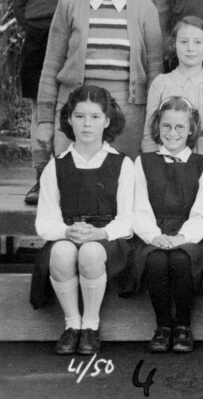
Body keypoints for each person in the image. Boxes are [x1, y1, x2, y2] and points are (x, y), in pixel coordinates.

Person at [36, 0, 163, 160]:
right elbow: (51, 65)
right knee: (74, 179)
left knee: (120, 179)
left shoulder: (145, 7)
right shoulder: (69, 3)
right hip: (75, 110)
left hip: (128, 114)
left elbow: (155, 70)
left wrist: (153, 122)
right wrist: (44, 120)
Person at [30, 85, 133, 356]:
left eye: (95, 117)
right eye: (79, 116)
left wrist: (99, 234)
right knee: (62, 252)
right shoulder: (56, 165)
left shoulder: (122, 164)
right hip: (69, 235)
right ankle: (72, 324)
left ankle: (90, 325)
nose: (87, 124)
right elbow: (45, 222)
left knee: (90, 252)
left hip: (108, 243)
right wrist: (67, 232)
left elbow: (127, 220)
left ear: (107, 121)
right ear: (69, 119)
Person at [12, 0, 89, 205]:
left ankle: (69, 176)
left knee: (72, 106)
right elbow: (20, 7)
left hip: (73, 41)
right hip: (38, 40)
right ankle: (41, 176)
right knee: (39, 109)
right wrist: (38, 30)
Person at [131, 96, 203, 354]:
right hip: (152, 234)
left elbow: (201, 211)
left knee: (179, 259)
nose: (172, 133)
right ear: (158, 127)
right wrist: (153, 236)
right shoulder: (143, 162)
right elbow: (139, 206)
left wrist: (182, 238)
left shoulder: (202, 164)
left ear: (191, 129)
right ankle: (163, 326)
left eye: (180, 127)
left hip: (189, 237)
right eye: (166, 126)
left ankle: (183, 325)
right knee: (156, 260)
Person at [142, 17, 203, 165]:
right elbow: (149, 134)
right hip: (168, 161)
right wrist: (151, 166)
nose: (190, 48)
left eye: (198, 42)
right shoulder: (161, 83)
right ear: (174, 45)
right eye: (184, 42)